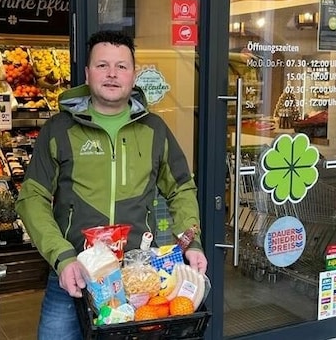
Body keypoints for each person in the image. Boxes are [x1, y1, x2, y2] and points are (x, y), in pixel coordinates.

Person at [15, 30, 208, 339]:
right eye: (102, 65)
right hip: (73, 274)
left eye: (121, 66)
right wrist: (61, 256)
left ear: (133, 75)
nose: (112, 74)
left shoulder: (155, 129)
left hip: (139, 278)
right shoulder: (59, 129)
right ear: (88, 73)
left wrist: (191, 243)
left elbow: (181, 188)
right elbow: (32, 197)